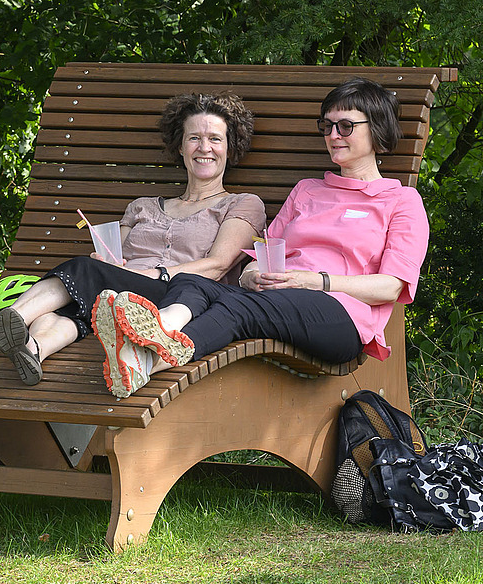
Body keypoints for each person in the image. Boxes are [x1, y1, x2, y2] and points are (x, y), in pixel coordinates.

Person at [100, 78, 428, 391]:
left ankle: (149, 360)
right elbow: (264, 253)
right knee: (194, 283)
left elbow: (392, 286)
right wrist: (252, 276)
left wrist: (315, 281)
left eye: (345, 126)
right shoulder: (307, 191)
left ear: (377, 129)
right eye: (326, 126)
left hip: (342, 317)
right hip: (277, 299)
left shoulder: (401, 201)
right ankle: (155, 332)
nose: (333, 135)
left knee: (238, 312)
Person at [0, 93, 267, 395]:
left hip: (177, 303)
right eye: (194, 138)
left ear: (230, 147)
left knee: (83, 271)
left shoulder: (241, 204)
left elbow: (218, 264)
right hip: (117, 296)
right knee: (81, 294)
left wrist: (155, 273)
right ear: (180, 146)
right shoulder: (142, 206)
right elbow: (111, 258)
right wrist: (107, 262)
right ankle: (34, 349)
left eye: (214, 139)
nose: (204, 148)